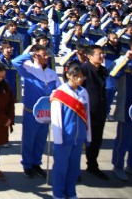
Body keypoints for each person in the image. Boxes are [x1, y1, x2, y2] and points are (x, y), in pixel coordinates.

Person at [12, 44, 61, 178]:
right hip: (31, 112)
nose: (46, 57)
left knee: (41, 140)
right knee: (29, 139)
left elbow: (59, 89)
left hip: (46, 113)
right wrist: (30, 54)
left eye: (46, 54)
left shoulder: (51, 73)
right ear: (36, 55)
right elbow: (15, 61)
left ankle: (36, 163)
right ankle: (27, 165)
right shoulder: (28, 69)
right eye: (43, 54)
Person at [51, 62, 91, 199]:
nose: (80, 79)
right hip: (64, 138)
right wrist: (58, 139)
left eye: (82, 77)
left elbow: (87, 116)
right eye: (77, 77)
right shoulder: (60, 93)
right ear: (69, 76)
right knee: (60, 169)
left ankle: (71, 192)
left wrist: (88, 136)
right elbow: (56, 119)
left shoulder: (83, 92)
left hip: (78, 138)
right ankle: (58, 193)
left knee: (74, 168)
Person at [81, 44, 109, 180]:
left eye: (103, 53)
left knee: (96, 141)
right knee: (79, 141)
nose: (102, 56)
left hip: (100, 111)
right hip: (85, 112)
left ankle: (92, 165)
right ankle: (72, 170)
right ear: (90, 56)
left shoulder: (103, 70)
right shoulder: (84, 70)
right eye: (99, 53)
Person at [110, 43, 132, 181]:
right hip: (126, 106)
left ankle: (131, 165)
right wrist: (126, 59)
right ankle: (118, 166)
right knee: (123, 138)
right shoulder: (124, 62)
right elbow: (113, 73)